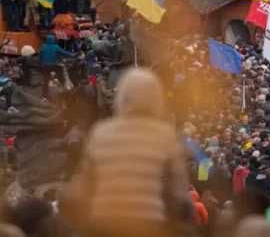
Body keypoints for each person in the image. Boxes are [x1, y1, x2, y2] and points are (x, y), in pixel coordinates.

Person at [63, 68, 189, 237]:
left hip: (103, 224)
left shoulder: (100, 132)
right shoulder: (164, 134)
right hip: (148, 225)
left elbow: (86, 183)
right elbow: (179, 191)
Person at [39, 34, 72, 99]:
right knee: (61, 69)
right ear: (53, 40)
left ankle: (45, 97)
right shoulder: (55, 47)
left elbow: (40, 57)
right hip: (54, 65)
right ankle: (62, 83)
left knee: (46, 81)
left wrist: (42, 63)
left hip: (45, 66)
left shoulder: (43, 47)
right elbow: (64, 52)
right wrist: (72, 55)